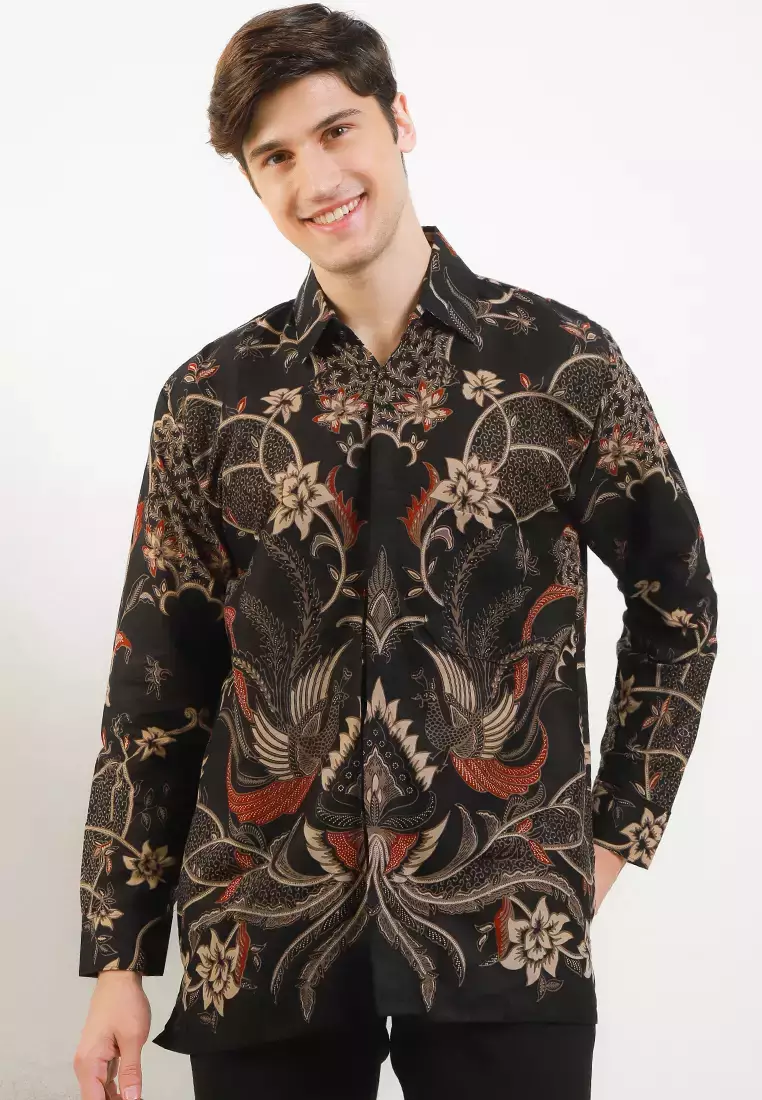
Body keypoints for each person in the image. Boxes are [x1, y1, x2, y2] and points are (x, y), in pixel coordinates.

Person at [73, 5, 719, 1099]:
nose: (316, 178)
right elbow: (156, 686)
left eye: (337, 131)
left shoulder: (562, 364)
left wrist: (609, 838)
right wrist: (117, 962)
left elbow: (681, 609)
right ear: (251, 179)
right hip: (260, 934)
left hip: (505, 932)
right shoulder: (209, 400)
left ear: (399, 120)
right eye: (276, 155)